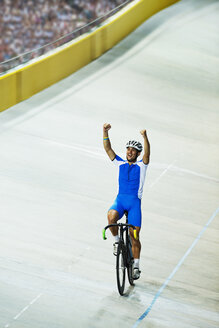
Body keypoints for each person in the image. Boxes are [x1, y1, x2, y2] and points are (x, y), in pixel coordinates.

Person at [103, 123, 150, 280]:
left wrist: (145, 137)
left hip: (134, 204)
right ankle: (117, 241)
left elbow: (147, 155)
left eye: (133, 150)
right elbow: (108, 149)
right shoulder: (120, 163)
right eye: (128, 149)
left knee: (134, 236)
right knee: (110, 217)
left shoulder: (142, 166)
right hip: (121, 201)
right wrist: (105, 132)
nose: (130, 152)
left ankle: (136, 266)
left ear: (138, 153)